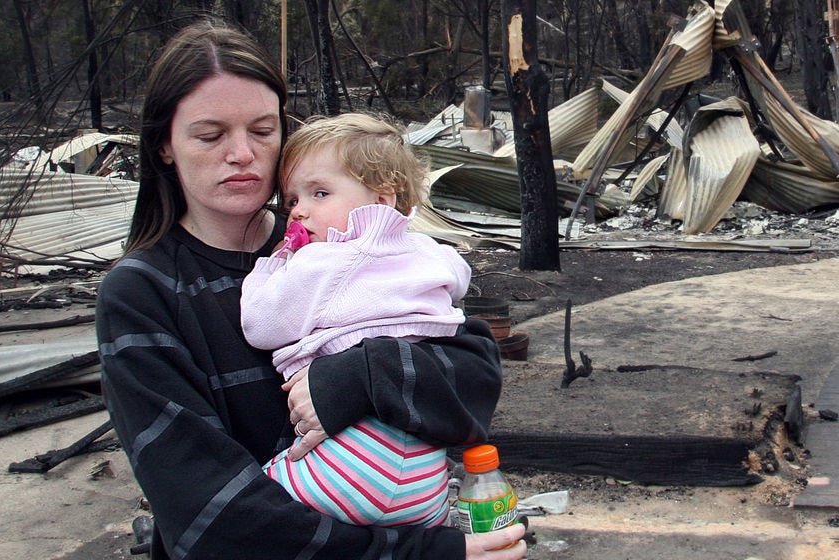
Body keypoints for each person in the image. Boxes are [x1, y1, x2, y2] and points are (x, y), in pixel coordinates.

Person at [94, 20, 527, 559]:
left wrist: (363, 374)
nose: (242, 154)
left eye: (262, 130)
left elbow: (474, 387)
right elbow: (213, 518)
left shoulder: (340, 242)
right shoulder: (143, 295)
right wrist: (424, 553)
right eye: (210, 135)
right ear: (164, 146)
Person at [240, 113, 472, 528]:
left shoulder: (323, 262)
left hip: (352, 459)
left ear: (381, 201)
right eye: (292, 199)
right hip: (424, 468)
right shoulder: (427, 251)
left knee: (245, 517)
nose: (298, 212)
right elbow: (459, 280)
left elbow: (261, 324)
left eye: (320, 193)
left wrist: (271, 267)